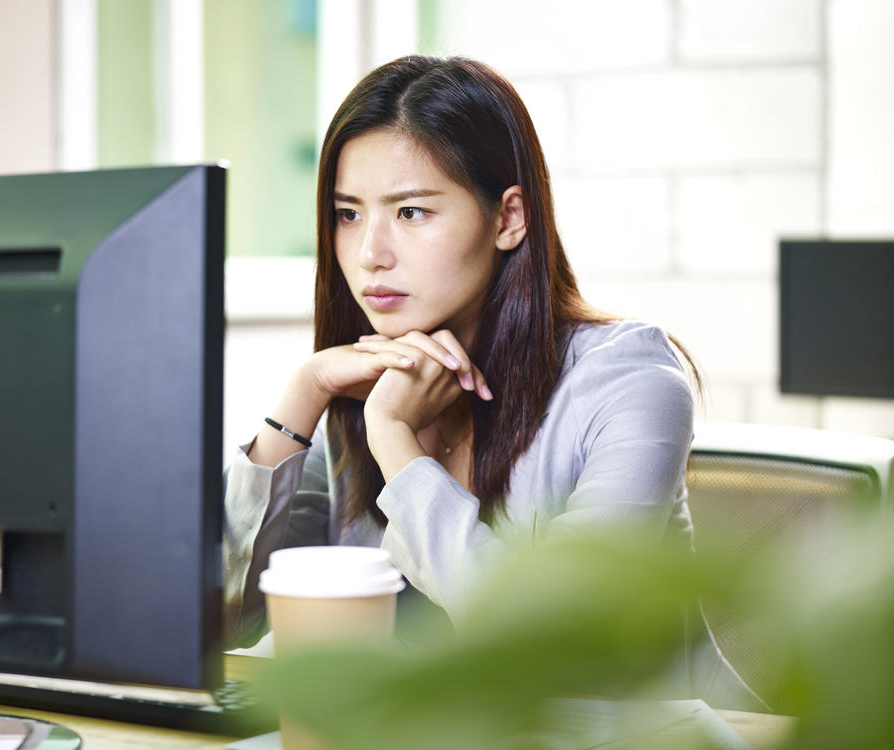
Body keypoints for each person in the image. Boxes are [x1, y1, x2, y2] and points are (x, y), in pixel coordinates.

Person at [223, 55, 764, 711]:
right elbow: (226, 621)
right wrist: (303, 397)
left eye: (411, 213)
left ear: (509, 218)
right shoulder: (363, 385)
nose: (370, 254)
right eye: (348, 214)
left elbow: (551, 641)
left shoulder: (631, 380)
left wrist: (397, 444)